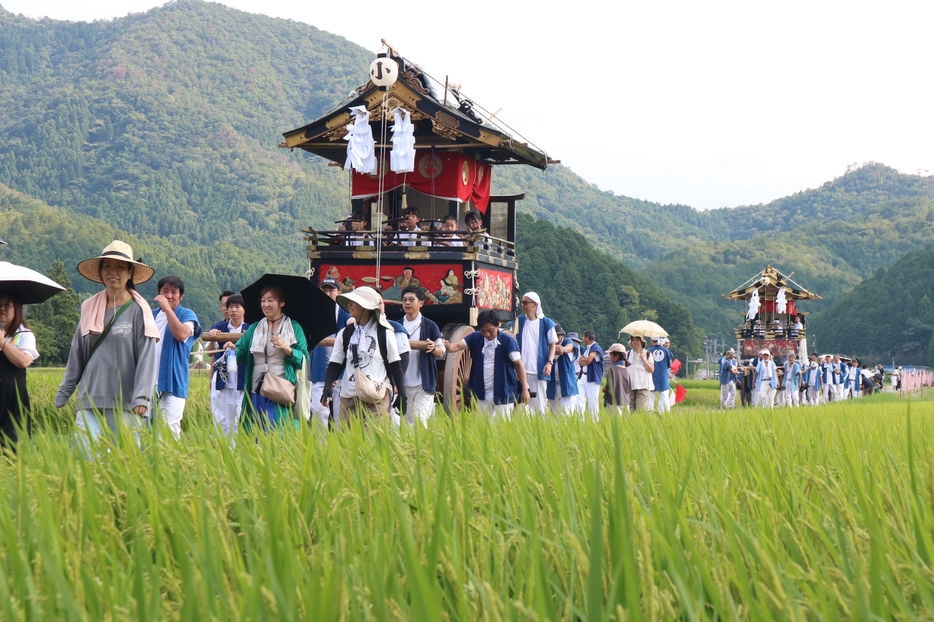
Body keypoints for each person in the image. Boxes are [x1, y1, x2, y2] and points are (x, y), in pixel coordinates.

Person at [55, 241, 160, 454]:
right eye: (108, 267)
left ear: (130, 273)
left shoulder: (139, 310)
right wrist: (64, 391)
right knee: (84, 458)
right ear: (101, 272)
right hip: (90, 396)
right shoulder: (89, 307)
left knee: (125, 462)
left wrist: (142, 397)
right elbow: (78, 353)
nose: (113, 272)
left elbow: (147, 358)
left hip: (126, 400)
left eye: (120, 267)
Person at [322, 287, 404, 421]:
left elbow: (395, 364)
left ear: (366, 306)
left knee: (374, 440)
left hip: (376, 397)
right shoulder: (345, 333)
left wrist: (402, 393)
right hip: (348, 397)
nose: (349, 305)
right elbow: (335, 364)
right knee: (348, 441)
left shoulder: (384, 332)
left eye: (353, 302)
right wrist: (327, 389)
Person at [234, 286, 309, 429]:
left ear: (281, 303)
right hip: (256, 389)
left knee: (277, 431)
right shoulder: (255, 327)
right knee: (256, 431)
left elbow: (304, 358)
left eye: (270, 300)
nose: (265, 304)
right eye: (263, 301)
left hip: (280, 390)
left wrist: (286, 347)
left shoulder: (294, 327)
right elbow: (241, 351)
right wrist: (232, 351)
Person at [444, 310, 529, 419]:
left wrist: (525, 389)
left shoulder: (508, 341)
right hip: (481, 392)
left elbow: (518, 364)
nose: (487, 334)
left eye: (490, 330)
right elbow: (455, 346)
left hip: (503, 391)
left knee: (502, 426)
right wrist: (444, 345)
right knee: (482, 427)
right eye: (483, 331)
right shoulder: (476, 337)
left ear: (499, 325)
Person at [151, 275, 201, 439]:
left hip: (174, 381)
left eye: (174, 292)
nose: (169, 296)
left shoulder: (187, 314)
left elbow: (181, 334)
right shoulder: (151, 316)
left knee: (168, 429)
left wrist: (168, 310)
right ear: (159, 293)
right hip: (148, 381)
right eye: (165, 291)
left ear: (181, 296)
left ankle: (170, 463)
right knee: (143, 429)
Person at [309, 278, 352, 429]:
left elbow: (353, 325)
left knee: (341, 414)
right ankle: (320, 448)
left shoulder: (345, 313)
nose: (327, 294)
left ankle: (342, 449)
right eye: (324, 291)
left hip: (341, 371)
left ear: (338, 293)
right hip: (320, 370)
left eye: (331, 291)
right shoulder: (313, 314)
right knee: (318, 411)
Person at [206, 294, 249, 441]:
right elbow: (210, 352)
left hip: (242, 380)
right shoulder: (219, 327)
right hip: (224, 381)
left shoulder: (249, 329)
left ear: (244, 309)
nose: (233, 310)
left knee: (240, 418)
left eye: (238, 307)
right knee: (223, 419)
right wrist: (213, 337)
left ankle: (238, 451)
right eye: (230, 307)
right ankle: (225, 451)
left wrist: (237, 345)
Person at [400, 286, 445, 426]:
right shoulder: (396, 326)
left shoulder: (430, 326)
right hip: (402, 383)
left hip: (423, 383)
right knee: (406, 424)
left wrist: (432, 348)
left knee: (419, 422)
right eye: (404, 300)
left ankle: (421, 447)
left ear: (421, 303)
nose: (407, 303)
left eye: (411, 300)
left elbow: (441, 351)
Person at [0, 291, 39, 448]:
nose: (2, 308)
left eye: (7, 305)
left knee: (14, 447)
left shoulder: (24, 334)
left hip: (13, 398)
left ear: (17, 308)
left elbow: (23, 361)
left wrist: (2, 343)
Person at [515, 292, 558, 415]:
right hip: (522, 369)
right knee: (521, 406)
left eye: (525, 303)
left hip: (539, 369)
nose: (522, 305)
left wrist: (549, 363)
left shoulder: (546, 323)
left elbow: (552, 345)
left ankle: (540, 431)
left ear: (534, 305)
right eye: (522, 302)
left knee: (540, 406)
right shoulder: (519, 321)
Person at [546, 324, 580, 415]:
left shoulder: (566, 341)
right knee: (554, 417)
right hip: (553, 387)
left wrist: (562, 350)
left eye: (558, 336)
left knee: (565, 416)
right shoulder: (547, 346)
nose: (556, 338)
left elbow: (569, 347)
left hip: (567, 386)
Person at [577, 330, 604, 417]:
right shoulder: (586, 349)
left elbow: (589, 360)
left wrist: (585, 360)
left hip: (592, 377)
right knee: (579, 399)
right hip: (583, 376)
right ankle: (580, 421)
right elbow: (580, 362)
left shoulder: (596, 347)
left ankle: (594, 422)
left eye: (583, 337)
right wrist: (585, 360)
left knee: (593, 401)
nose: (583, 339)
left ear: (587, 337)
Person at [626, 335, 655, 411]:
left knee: (641, 411)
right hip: (630, 387)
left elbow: (651, 370)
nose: (634, 342)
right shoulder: (628, 354)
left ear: (642, 342)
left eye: (637, 340)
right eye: (633, 340)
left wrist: (644, 359)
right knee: (629, 411)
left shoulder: (647, 354)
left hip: (643, 387)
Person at [647, 335, 673, 412]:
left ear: (652, 341)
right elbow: (669, 365)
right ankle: (664, 413)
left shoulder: (648, 351)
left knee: (650, 397)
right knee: (664, 396)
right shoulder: (666, 351)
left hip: (651, 376)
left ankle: (649, 413)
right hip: (663, 376)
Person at [602, 343, 630, 414]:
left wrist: (604, 389)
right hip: (626, 402)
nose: (609, 357)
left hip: (614, 402)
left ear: (616, 356)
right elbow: (629, 387)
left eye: (610, 355)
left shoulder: (612, 369)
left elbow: (609, 385)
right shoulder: (627, 369)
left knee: (614, 423)